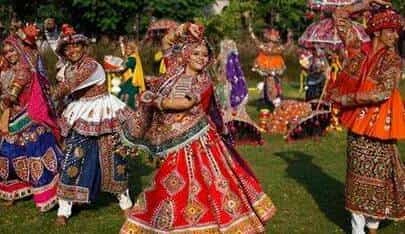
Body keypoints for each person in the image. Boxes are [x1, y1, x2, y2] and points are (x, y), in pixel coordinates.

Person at [120, 23, 276, 233]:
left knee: (205, 185)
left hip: (200, 142)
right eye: (196, 53)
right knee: (172, 185)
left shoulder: (203, 82)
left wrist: (155, 99)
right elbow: (167, 41)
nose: (201, 58)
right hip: (176, 140)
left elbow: (184, 103)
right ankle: (171, 223)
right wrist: (184, 29)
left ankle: (210, 225)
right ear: (185, 54)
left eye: (204, 54)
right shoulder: (175, 70)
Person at [330, 1, 405, 233]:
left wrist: (346, 99)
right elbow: (339, 15)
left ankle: (371, 227)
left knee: (378, 182)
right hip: (358, 127)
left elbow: (382, 92)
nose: (395, 35)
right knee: (356, 178)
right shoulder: (356, 49)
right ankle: (357, 229)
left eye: (397, 31)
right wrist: (363, 4)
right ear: (377, 31)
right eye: (390, 30)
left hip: (381, 127)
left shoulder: (393, 61)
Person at [52, 25, 134, 225]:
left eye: (76, 46)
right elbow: (66, 84)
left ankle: (125, 203)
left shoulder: (92, 66)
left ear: (83, 47)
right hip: (81, 112)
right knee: (73, 157)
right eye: (67, 48)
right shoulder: (67, 68)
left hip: (103, 112)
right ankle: (64, 208)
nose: (72, 51)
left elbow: (69, 85)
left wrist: (51, 96)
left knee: (115, 156)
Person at [0, 28, 62, 212]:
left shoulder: (23, 71)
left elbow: (12, 96)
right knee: (7, 153)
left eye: (12, 50)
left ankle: (46, 194)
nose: (10, 55)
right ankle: (15, 191)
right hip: (12, 118)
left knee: (33, 152)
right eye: (5, 52)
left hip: (29, 118)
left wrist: (5, 100)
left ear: (18, 50)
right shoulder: (7, 71)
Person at [215, 39, 262, 145]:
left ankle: (232, 130)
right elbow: (216, 69)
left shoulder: (229, 58)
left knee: (228, 109)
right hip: (223, 86)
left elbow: (230, 73)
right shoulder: (225, 57)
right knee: (223, 108)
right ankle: (228, 130)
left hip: (228, 87)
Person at [118, 40, 145, 109]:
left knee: (126, 100)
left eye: (128, 48)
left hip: (131, 82)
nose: (127, 50)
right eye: (126, 48)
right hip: (130, 81)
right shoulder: (134, 57)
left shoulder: (132, 59)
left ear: (133, 50)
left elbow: (123, 67)